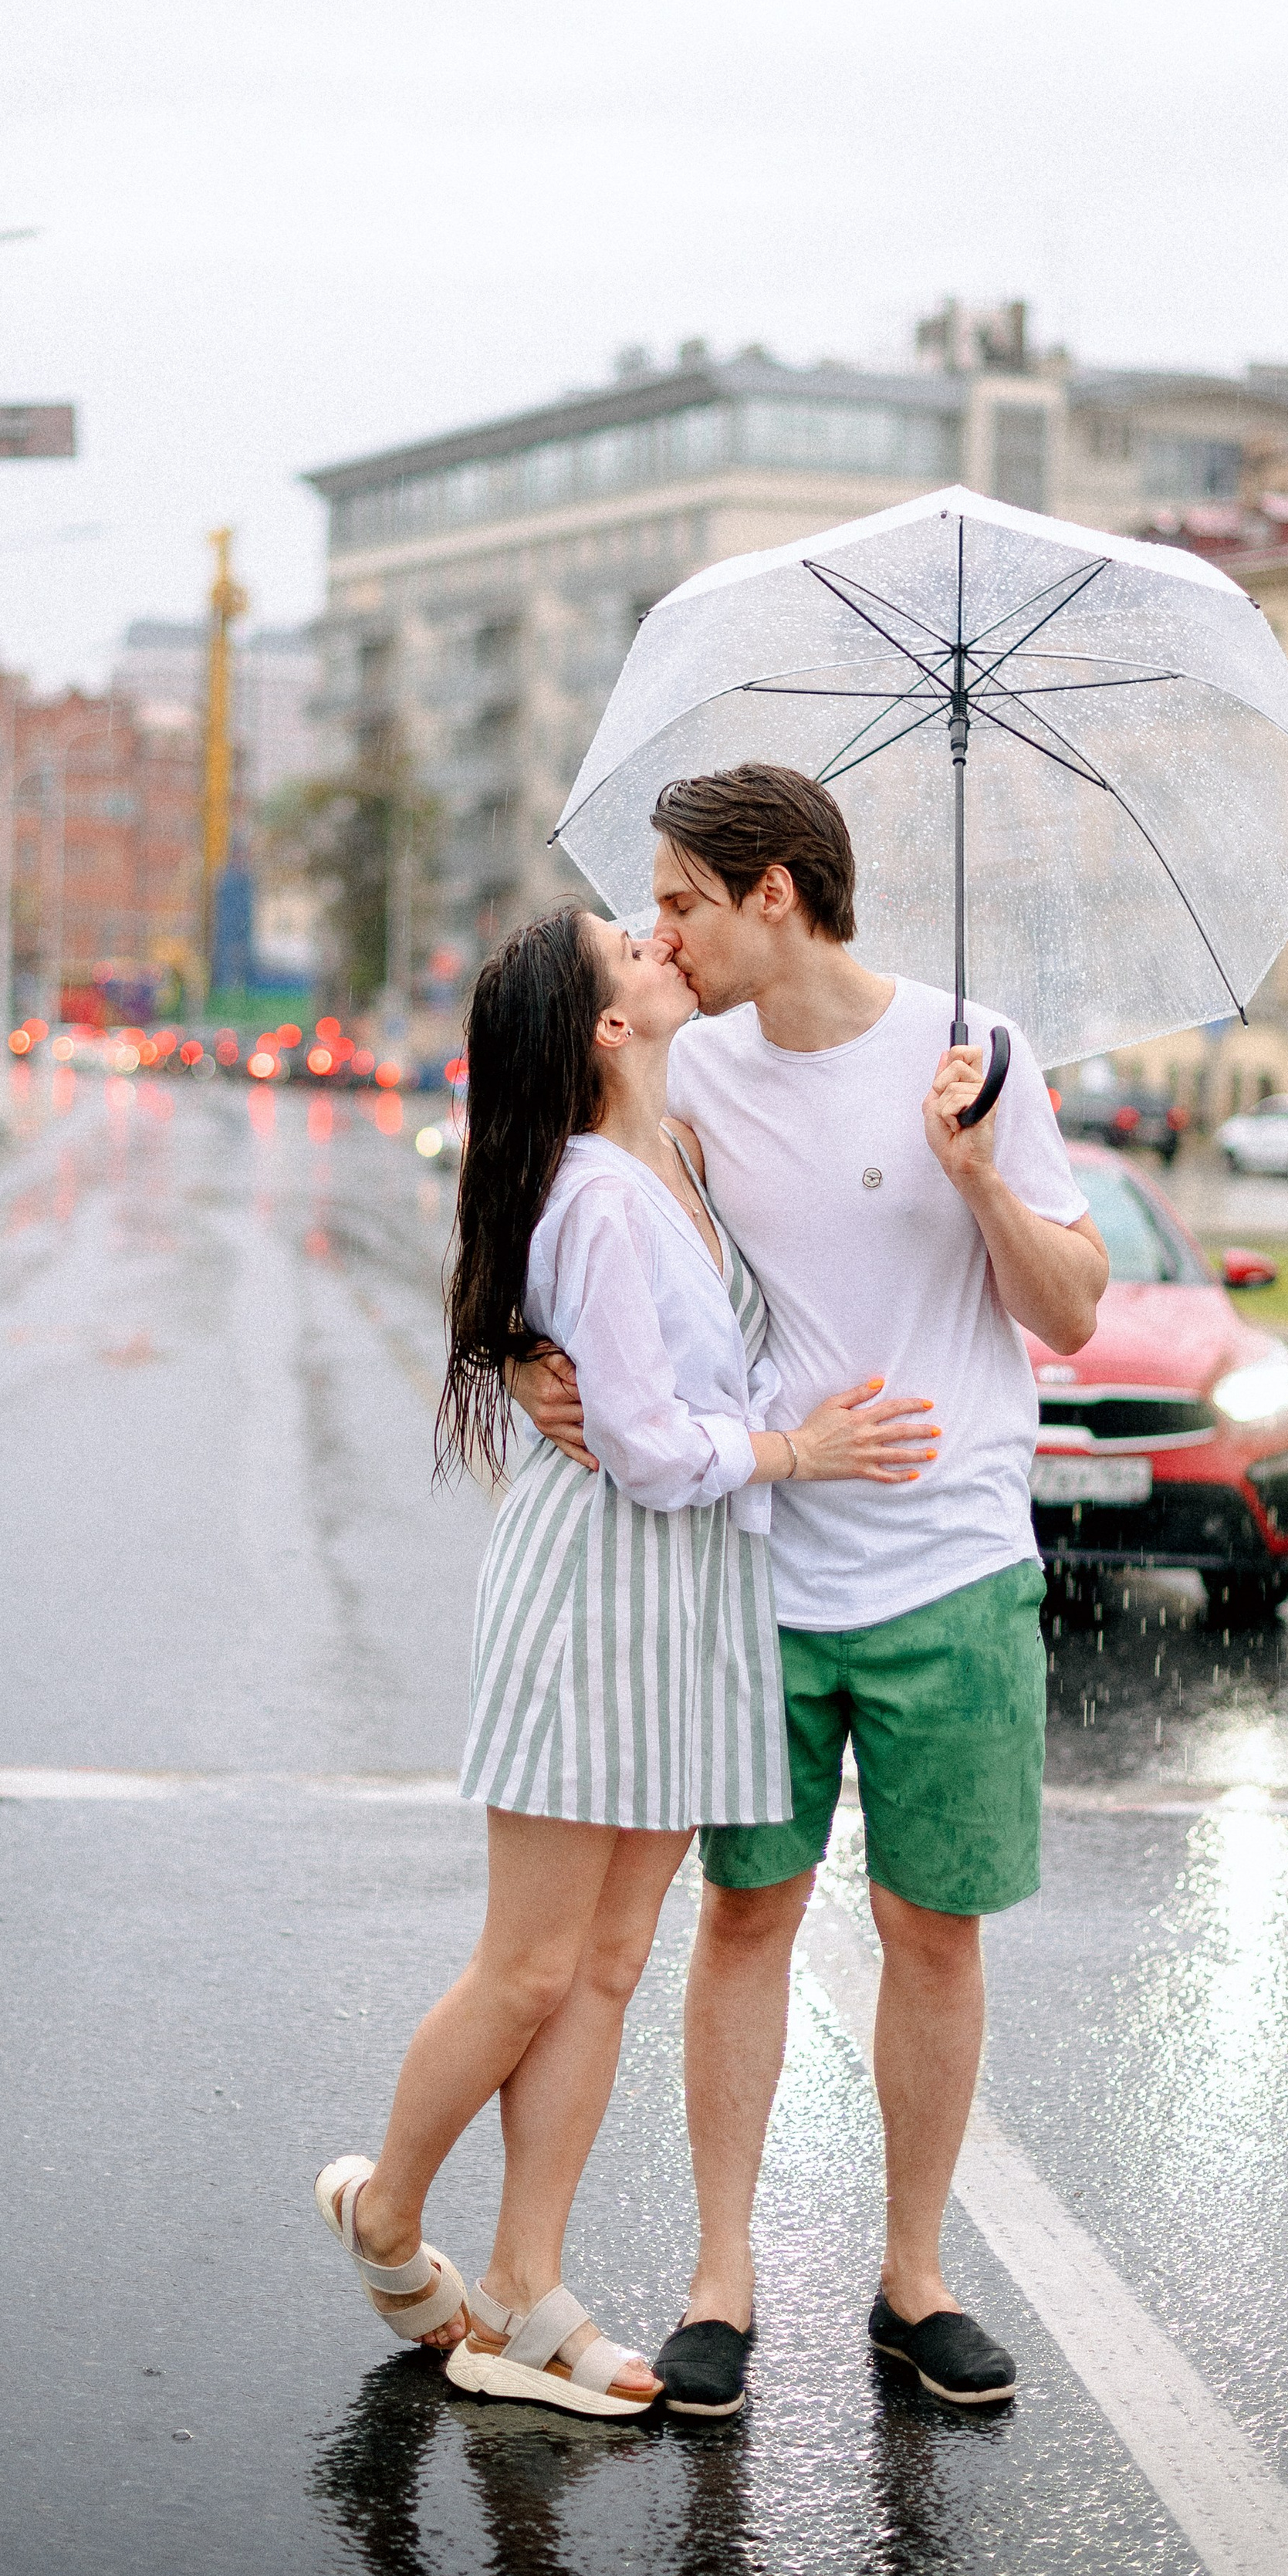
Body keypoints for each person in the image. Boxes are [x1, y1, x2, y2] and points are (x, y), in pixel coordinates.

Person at [513, 766, 1108, 2415]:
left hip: (953, 1565)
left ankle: (913, 2279)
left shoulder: (973, 1053)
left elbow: (1066, 1314)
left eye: (683, 902)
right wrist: (519, 1357)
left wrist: (979, 1169)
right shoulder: (680, 1063)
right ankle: (722, 2276)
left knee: (932, 1928)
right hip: (757, 1566)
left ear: (774, 890)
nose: (660, 934)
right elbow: (553, 1213)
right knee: (747, 1913)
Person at [317, 901, 938, 2421]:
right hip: (597, 1592)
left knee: (604, 1965)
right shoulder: (595, 1192)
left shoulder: (677, 1153)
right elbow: (650, 1447)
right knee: (528, 1960)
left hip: (683, 1611)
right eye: (632, 946)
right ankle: (391, 2210)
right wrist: (801, 1450)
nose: (663, 945)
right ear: (604, 1025)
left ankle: (524, 2288)